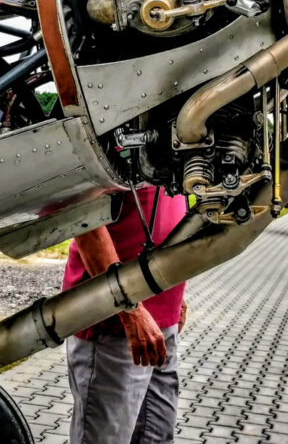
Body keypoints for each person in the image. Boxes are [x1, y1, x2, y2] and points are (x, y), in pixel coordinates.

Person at [62, 185, 188, 443]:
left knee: (156, 436)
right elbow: (84, 216)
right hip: (116, 324)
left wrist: (176, 293)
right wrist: (129, 309)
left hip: (162, 320)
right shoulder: (109, 144)